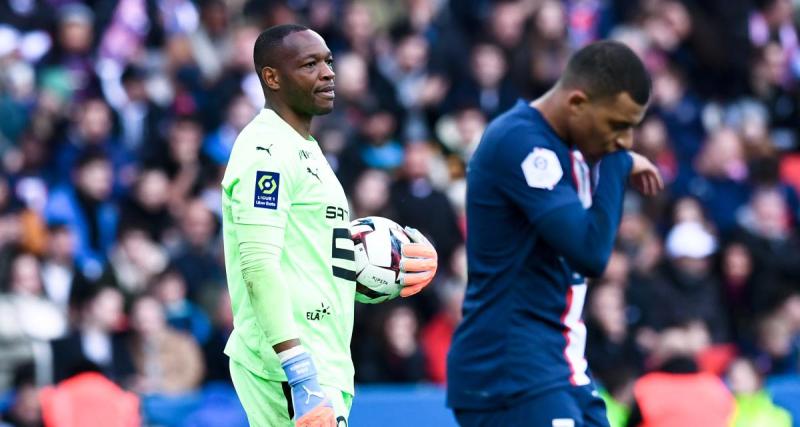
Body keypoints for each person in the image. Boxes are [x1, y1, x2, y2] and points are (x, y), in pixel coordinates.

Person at [220, 24, 438, 427]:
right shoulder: (265, 152)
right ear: (272, 77)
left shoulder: (306, 148)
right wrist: (300, 373)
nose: (328, 72)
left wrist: (379, 271)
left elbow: (309, 255)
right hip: (292, 369)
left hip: (321, 359)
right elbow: (258, 266)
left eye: (329, 61)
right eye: (310, 64)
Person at [446, 40, 663, 426]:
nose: (625, 141)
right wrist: (617, 166)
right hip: (509, 368)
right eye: (618, 125)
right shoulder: (522, 144)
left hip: (556, 363)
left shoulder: (562, 147)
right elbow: (590, 252)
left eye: (632, 130)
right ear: (577, 103)